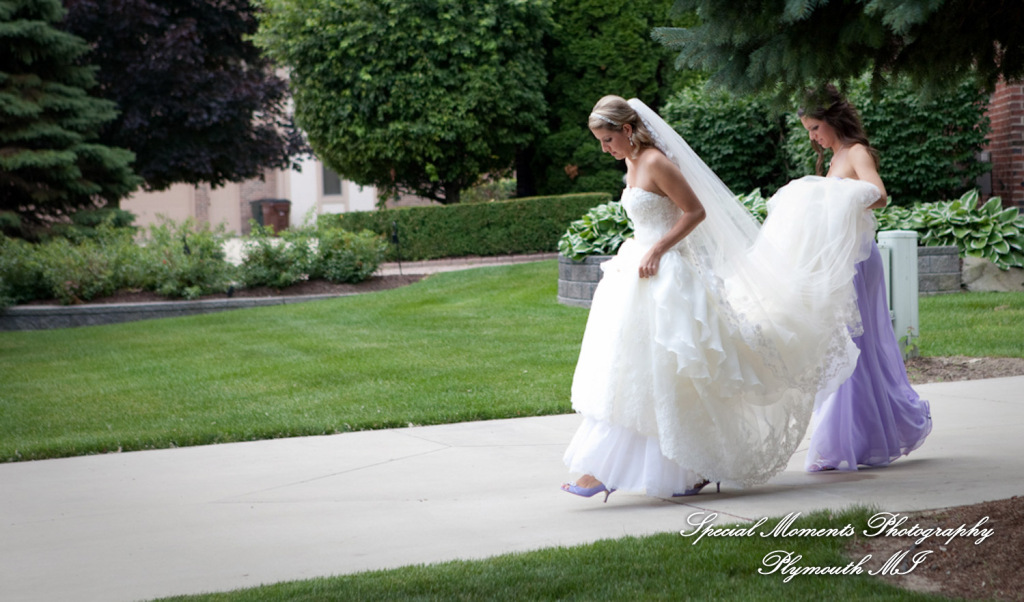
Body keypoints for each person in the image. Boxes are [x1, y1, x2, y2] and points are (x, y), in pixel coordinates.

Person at [562, 96, 880, 500]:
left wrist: (658, 249)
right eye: (601, 142)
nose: (605, 149)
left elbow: (694, 212)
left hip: (670, 273)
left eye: (608, 139)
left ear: (627, 130)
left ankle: (661, 468)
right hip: (638, 273)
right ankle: (624, 467)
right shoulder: (630, 163)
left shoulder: (657, 162)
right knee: (634, 372)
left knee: (679, 372)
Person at [798, 86, 932, 472]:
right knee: (845, 343)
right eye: (809, 130)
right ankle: (859, 434)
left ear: (832, 121)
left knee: (854, 342)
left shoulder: (856, 151)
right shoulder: (834, 157)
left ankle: (846, 440)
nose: (813, 137)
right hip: (840, 257)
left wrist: (835, 198)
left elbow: (878, 194)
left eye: (816, 127)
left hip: (858, 260)